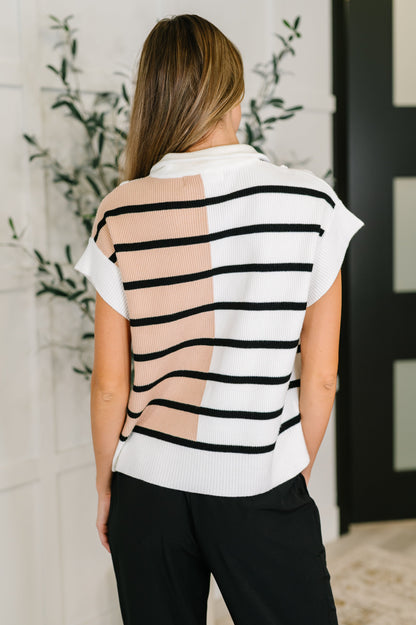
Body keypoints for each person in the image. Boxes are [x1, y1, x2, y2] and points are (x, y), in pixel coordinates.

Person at [73, 13, 364, 625]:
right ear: (236, 94)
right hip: (259, 477)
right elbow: (321, 377)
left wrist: (107, 487)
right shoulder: (310, 203)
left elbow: (109, 386)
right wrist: (293, 468)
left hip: (146, 485)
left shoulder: (119, 212)